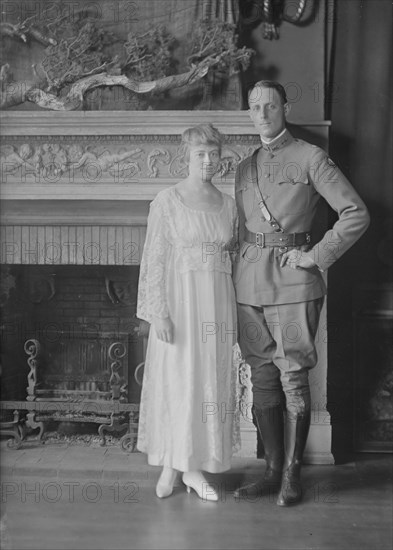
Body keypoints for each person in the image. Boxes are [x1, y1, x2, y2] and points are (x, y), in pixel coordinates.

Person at [233, 80, 370, 506]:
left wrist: (317, 256)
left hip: (293, 281)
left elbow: (355, 213)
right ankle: (272, 471)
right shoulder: (244, 166)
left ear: (284, 108)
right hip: (248, 283)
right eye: (255, 107)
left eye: (270, 106)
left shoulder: (311, 157)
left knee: (292, 374)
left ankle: (293, 474)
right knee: (262, 376)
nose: (262, 114)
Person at [136, 123, 239, 501]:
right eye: (201, 154)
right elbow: (154, 259)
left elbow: (236, 259)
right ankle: (172, 464)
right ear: (187, 157)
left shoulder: (229, 205)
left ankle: (193, 468)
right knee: (179, 379)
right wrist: (157, 312)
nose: (209, 161)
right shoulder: (168, 201)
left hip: (217, 304)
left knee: (207, 380)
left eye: (214, 153)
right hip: (179, 304)